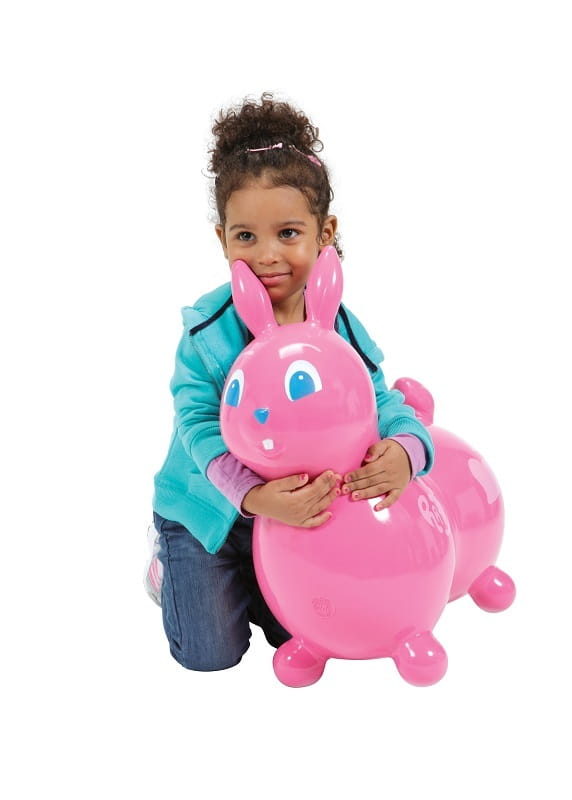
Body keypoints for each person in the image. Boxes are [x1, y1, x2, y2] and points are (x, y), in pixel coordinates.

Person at [145, 93, 435, 672]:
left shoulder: (338, 328)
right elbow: (196, 423)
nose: (267, 256)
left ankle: (255, 589)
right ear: (222, 239)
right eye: (245, 237)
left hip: (299, 517)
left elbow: (380, 400)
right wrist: (252, 496)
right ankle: (169, 568)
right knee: (211, 654)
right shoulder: (207, 330)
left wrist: (407, 449)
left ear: (324, 234)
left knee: (297, 633)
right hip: (208, 512)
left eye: (287, 233)